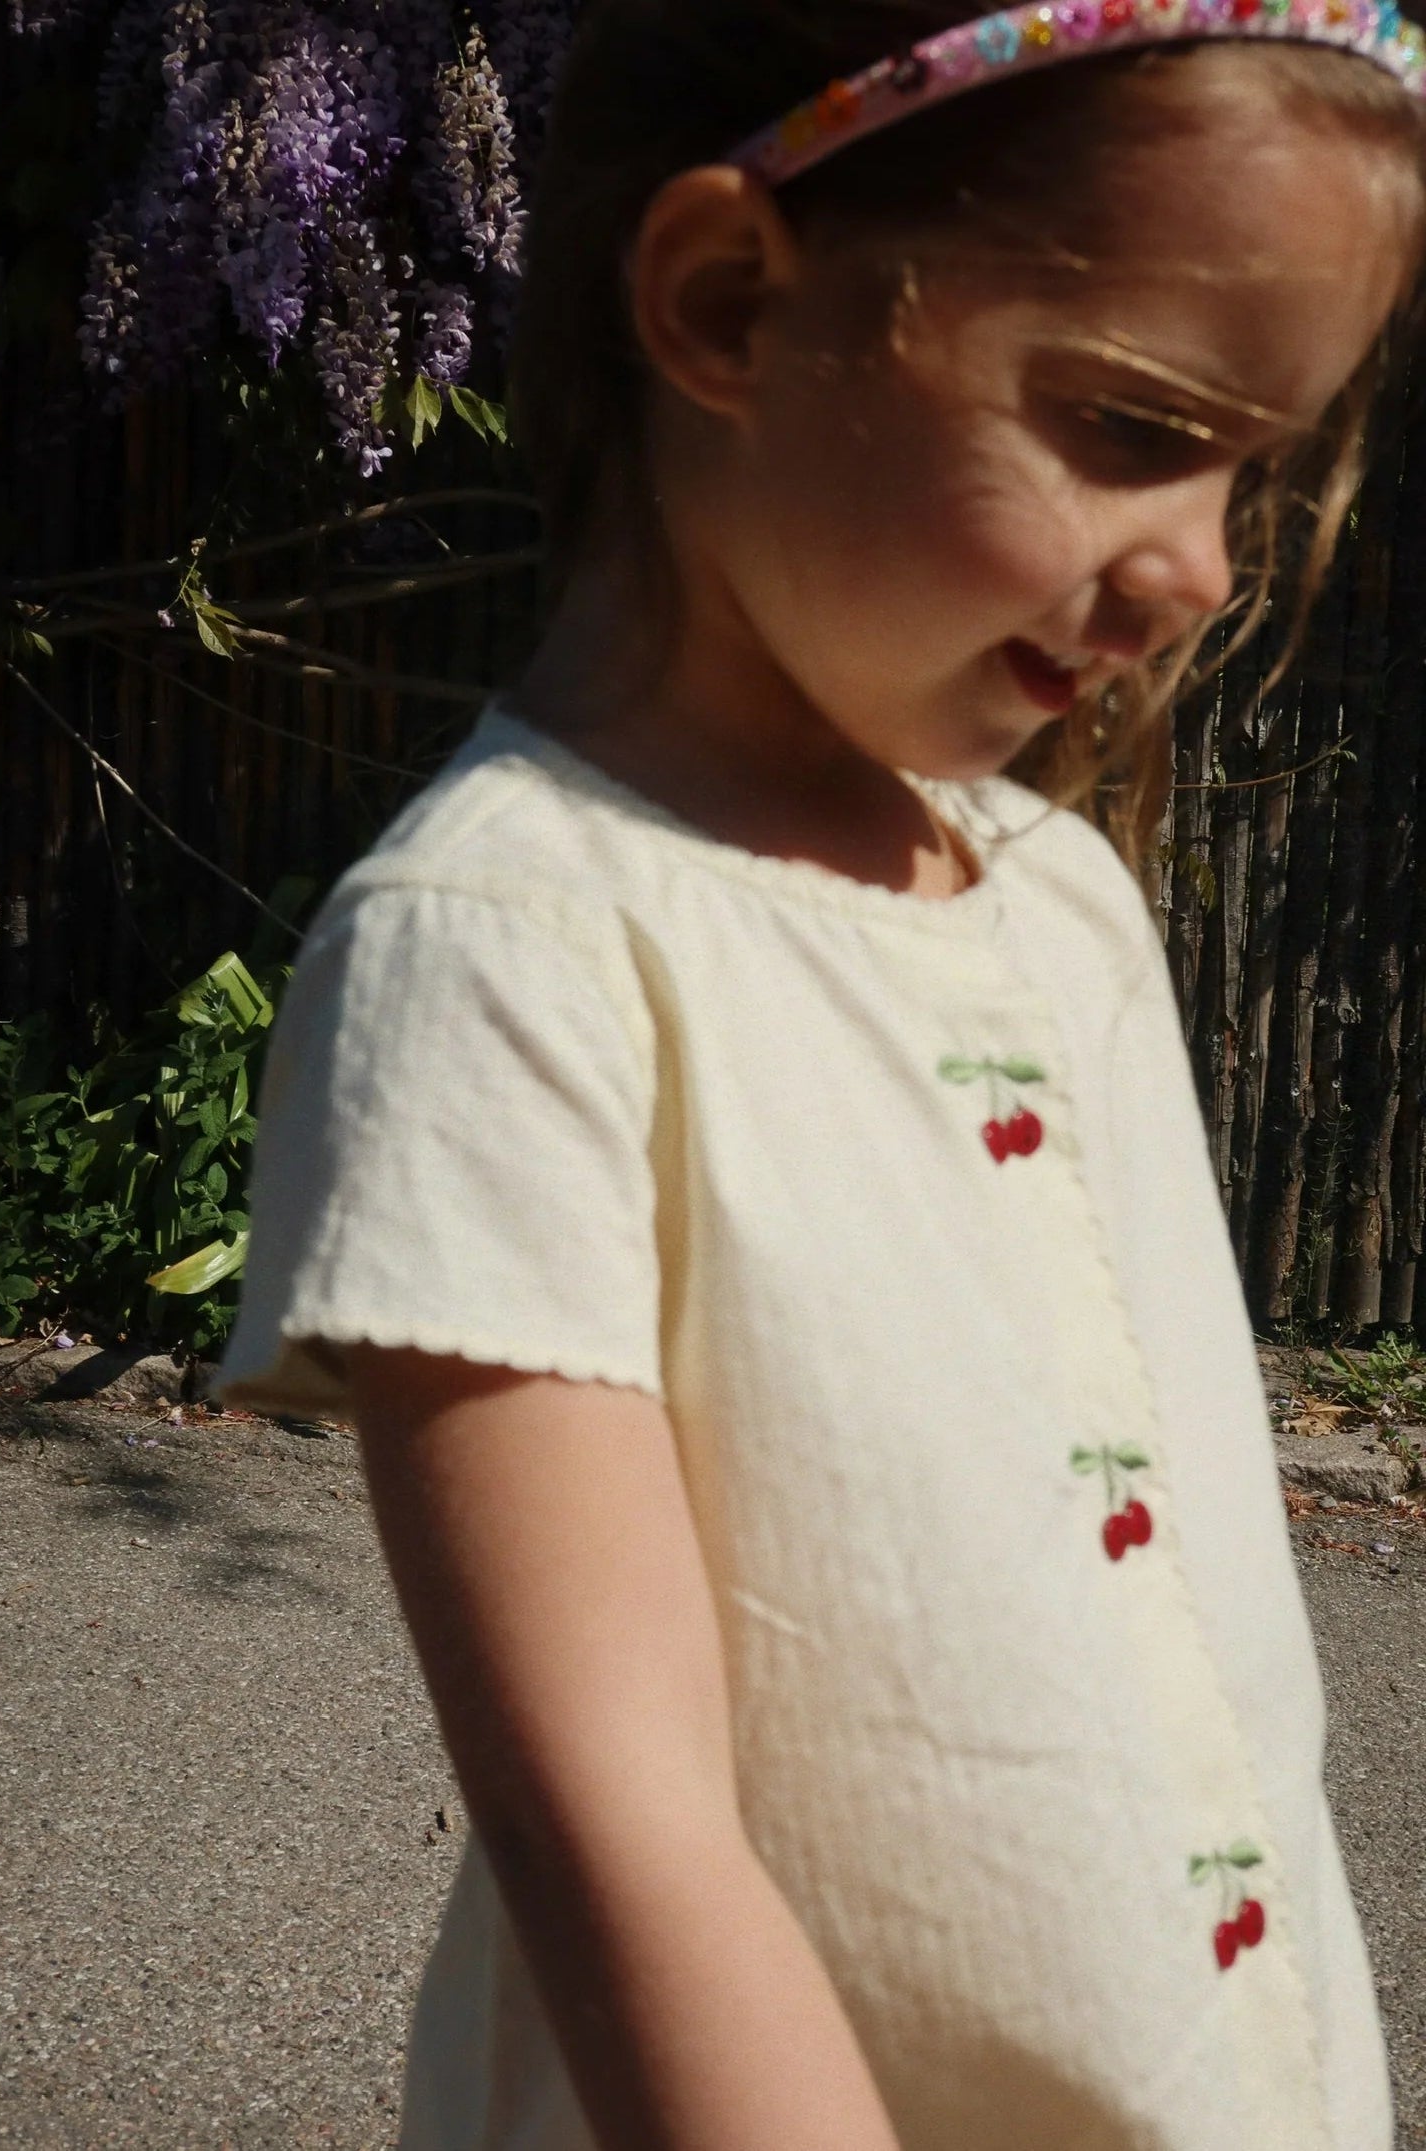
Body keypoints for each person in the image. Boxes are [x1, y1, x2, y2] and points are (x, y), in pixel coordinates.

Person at [217, 3, 1426, 2144]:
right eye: (1133, 422)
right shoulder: (514, 954)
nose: (1205, 570)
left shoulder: (1057, 898)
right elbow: (622, 1824)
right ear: (724, 303)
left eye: (1254, 465)